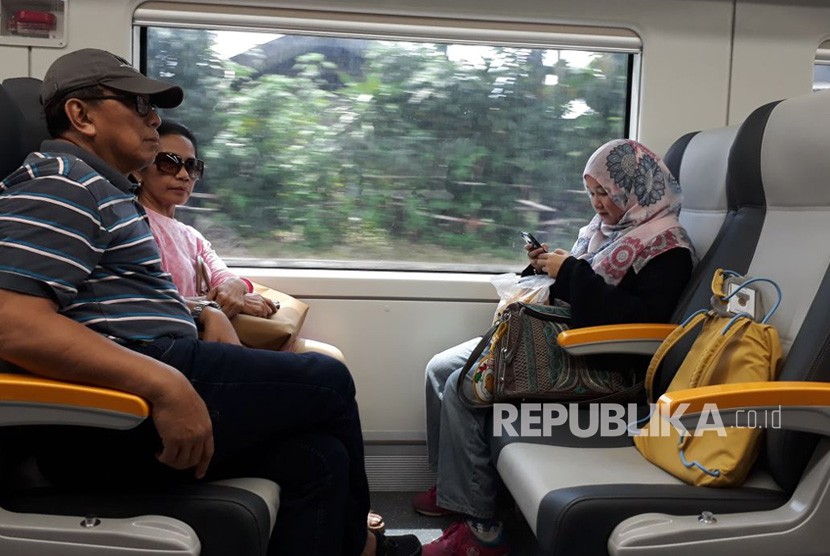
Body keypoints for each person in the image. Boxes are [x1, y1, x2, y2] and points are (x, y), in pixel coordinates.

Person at [0, 48, 417, 556]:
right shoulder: (61, 182)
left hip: (147, 377)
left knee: (318, 457)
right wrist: (168, 384)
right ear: (80, 115)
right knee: (327, 381)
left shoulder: (105, 192)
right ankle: (364, 549)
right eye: (136, 104)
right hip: (111, 413)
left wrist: (203, 314)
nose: (153, 119)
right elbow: (12, 323)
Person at [414, 139, 696, 556]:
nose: (598, 204)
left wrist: (572, 273)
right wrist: (546, 266)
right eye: (592, 193)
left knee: (461, 384)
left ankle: (481, 531)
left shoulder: (667, 248)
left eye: (606, 193)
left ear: (634, 190)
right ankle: (457, 488)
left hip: (605, 361)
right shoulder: (608, 232)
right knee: (439, 368)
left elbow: (640, 320)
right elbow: (579, 285)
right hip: (563, 339)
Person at [132, 119, 346, 362]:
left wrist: (236, 288)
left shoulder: (192, 236)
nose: (183, 175)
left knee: (329, 355)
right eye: (168, 163)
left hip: (206, 332)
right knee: (327, 365)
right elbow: (146, 300)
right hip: (176, 345)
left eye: (191, 166)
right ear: (140, 168)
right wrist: (221, 306)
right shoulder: (134, 224)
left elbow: (226, 278)